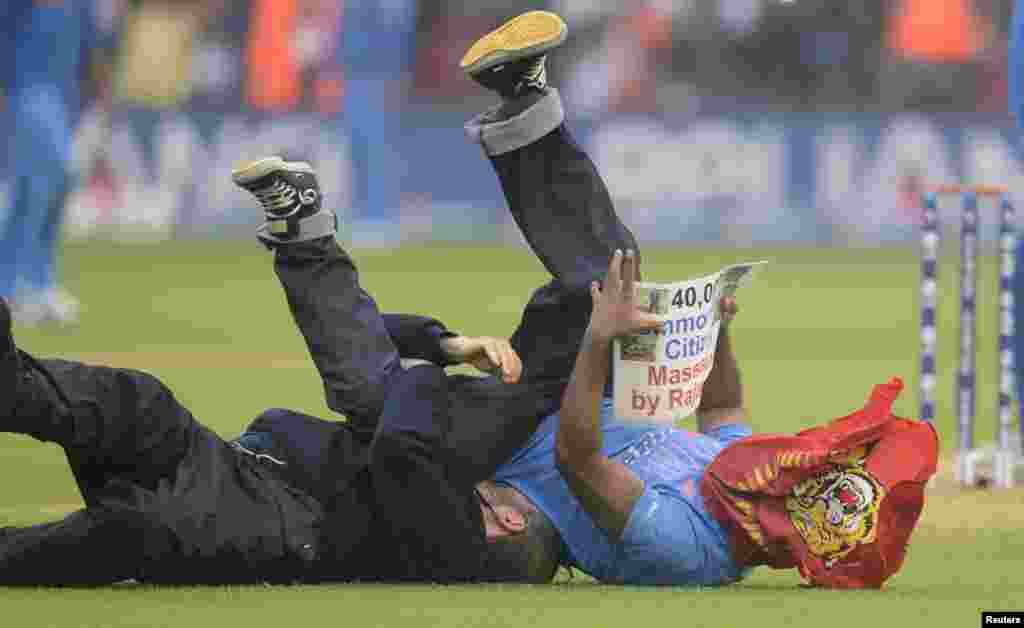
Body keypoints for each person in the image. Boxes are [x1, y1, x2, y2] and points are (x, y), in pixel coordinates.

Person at [0, 0, 110, 325]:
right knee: (38, 186)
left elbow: (90, 43)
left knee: (55, 186)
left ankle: (39, 282)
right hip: (27, 90)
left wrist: (97, 91)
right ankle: (14, 286)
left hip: (67, 96)